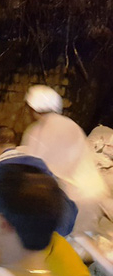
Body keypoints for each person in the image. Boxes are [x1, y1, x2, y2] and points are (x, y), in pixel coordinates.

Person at [22, 84, 108, 232]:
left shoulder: (37, 131)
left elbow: (33, 173)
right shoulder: (71, 125)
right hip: (94, 194)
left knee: (59, 245)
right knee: (81, 244)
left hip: (72, 201)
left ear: (32, 109)